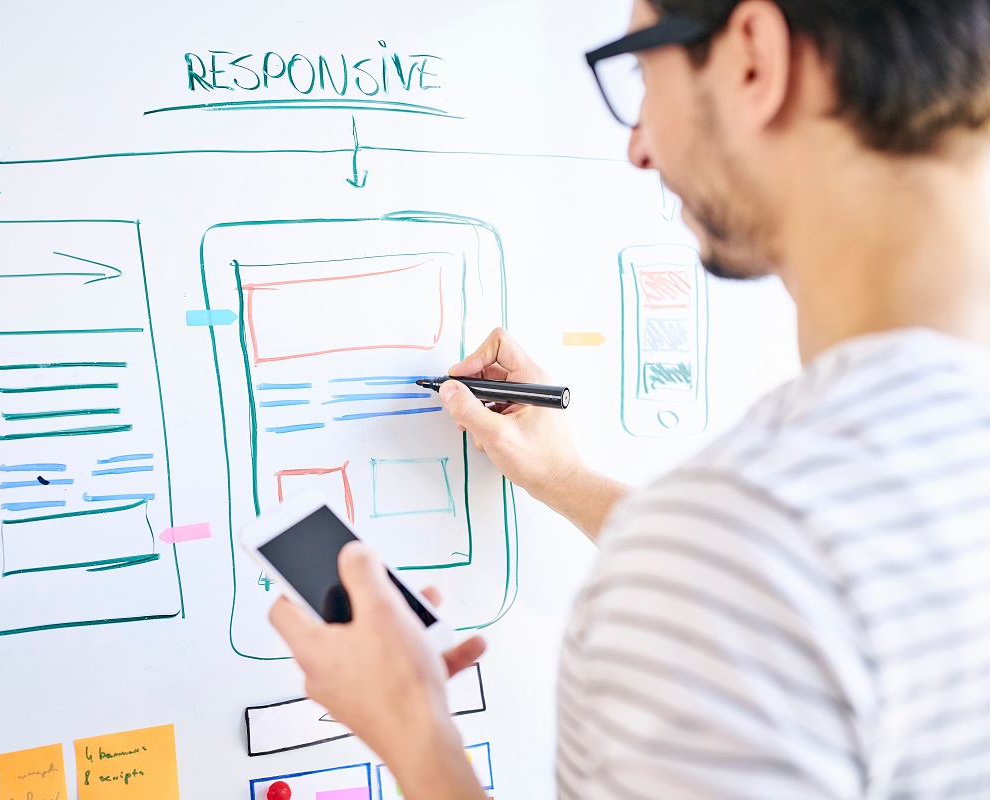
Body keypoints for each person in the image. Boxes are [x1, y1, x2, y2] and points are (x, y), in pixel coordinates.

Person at [270, 0, 990, 796]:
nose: (639, 146)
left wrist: (413, 728)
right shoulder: (777, 537)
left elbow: (751, 573)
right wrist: (568, 482)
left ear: (753, 56)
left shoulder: (735, 549)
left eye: (642, 73)